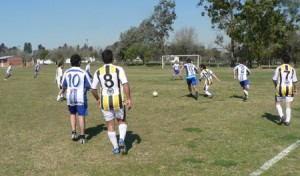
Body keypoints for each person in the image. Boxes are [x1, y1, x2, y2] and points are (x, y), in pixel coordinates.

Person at [91, 49, 131, 154]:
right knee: (121, 121)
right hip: (118, 100)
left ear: (102, 59)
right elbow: (125, 84)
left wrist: (98, 99)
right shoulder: (118, 69)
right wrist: (129, 99)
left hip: (105, 101)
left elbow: (93, 89)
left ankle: (116, 147)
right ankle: (121, 139)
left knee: (110, 124)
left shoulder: (98, 71)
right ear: (112, 58)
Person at [61, 54, 92, 143]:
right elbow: (90, 85)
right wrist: (86, 89)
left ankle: (74, 132)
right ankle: (82, 137)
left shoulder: (66, 72)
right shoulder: (83, 72)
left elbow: (63, 86)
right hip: (80, 97)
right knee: (81, 116)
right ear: (79, 62)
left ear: (71, 62)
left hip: (70, 97)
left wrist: (62, 93)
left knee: (72, 114)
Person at [272, 54, 297, 126]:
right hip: (289, 88)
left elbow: (274, 79)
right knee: (288, 104)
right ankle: (287, 121)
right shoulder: (292, 69)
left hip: (280, 88)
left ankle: (281, 115)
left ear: (282, 60)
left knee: (277, 102)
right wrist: (295, 89)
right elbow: (294, 81)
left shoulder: (279, 68)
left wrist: (276, 86)